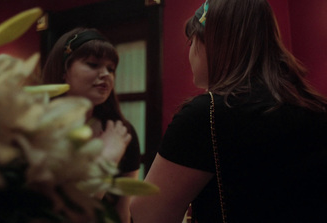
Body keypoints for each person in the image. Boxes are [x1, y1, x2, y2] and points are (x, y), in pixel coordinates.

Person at [130, 0, 327, 222]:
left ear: (212, 44)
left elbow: (146, 213)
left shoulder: (206, 114)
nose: (190, 53)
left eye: (191, 42)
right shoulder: (315, 107)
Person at [41, 27, 141, 223]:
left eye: (111, 69)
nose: (105, 74)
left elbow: (122, 213)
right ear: (63, 71)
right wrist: (107, 159)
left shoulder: (122, 132)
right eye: (93, 64)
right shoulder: (41, 131)